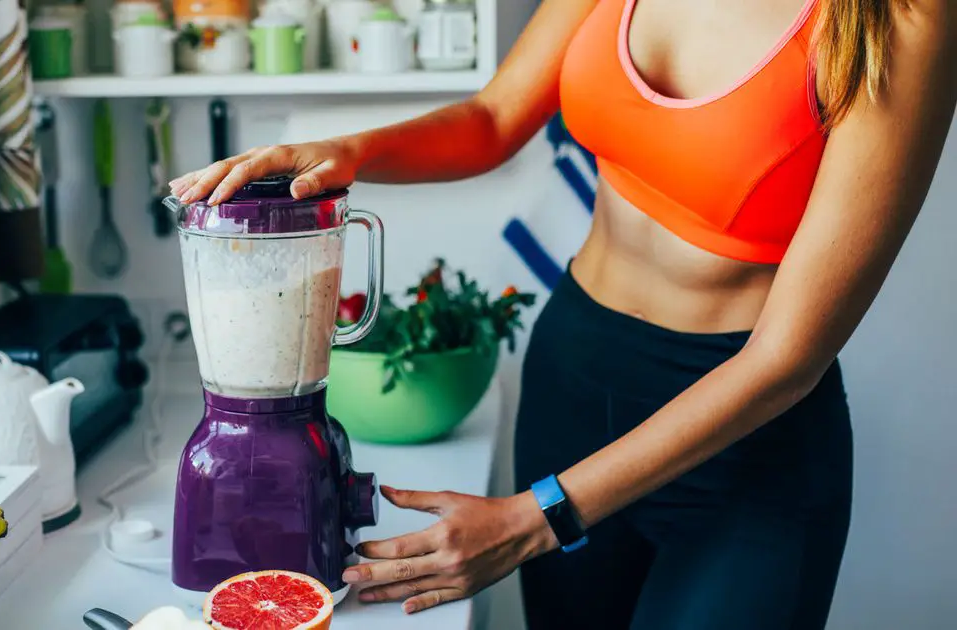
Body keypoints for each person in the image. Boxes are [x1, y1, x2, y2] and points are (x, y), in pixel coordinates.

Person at [169, 0, 956, 627]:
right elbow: (493, 118)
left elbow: (789, 358)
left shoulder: (902, 18)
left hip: (747, 447)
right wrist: (346, 153)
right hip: (575, 384)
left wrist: (536, 516)